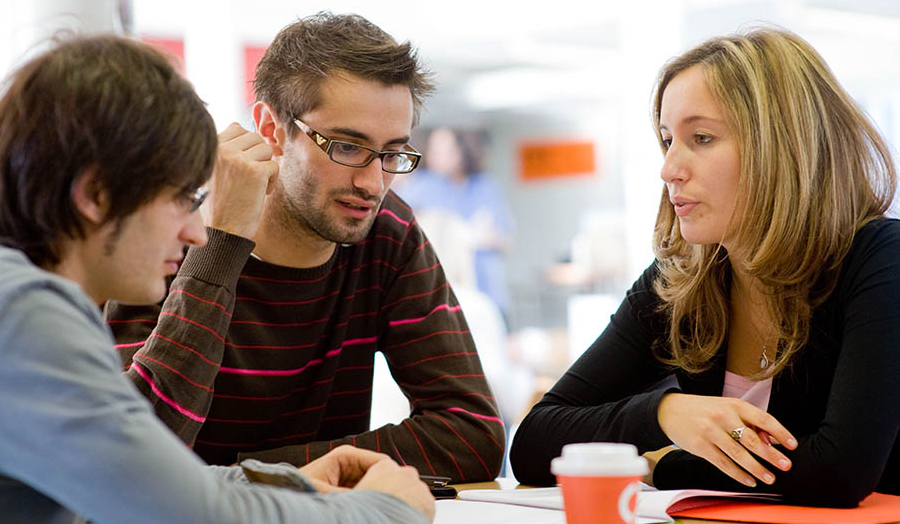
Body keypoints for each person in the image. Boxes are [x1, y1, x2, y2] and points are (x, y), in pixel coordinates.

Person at [0, 34, 433, 524]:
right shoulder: (23, 314)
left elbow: (137, 478)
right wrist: (387, 511)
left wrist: (282, 480)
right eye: (182, 199)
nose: (194, 232)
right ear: (95, 195)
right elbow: (176, 512)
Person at [104, 12, 504, 482]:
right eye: (347, 147)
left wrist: (247, 476)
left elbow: (472, 435)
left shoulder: (387, 231)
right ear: (271, 131)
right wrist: (223, 244)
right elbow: (132, 455)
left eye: (392, 153)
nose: (373, 184)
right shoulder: (172, 232)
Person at [510, 26, 899, 507]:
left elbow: (838, 471)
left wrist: (661, 464)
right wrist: (665, 413)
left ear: (783, 146)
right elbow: (532, 444)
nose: (669, 167)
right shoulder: (680, 281)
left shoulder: (881, 258)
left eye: (702, 137)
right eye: (669, 139)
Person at [396, 127, 515, 322]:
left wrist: (478, 238)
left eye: (446, 151)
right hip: (441, 292)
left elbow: (506, 239)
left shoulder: (485, 186)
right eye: (434, 151)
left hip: (487, 291)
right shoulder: (420, 187)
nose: (438, 158)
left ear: (462, 151)